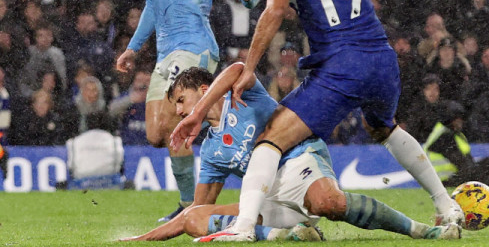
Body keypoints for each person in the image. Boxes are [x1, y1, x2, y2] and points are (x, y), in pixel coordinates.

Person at [170, 0, 463, 242]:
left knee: (270, 139)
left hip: (341, 66)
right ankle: (446, 205)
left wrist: (250, 67)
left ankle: (243, 228)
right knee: (384, 128)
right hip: (381, 59)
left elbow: (274, 9)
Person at [125, 64, 459, 242]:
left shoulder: (241, 95)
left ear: (204, 90)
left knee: (329, 203)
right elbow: (199, 211)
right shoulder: (211, 150)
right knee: (197, 220)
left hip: (299, 160)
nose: (180, 111)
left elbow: (238, 67)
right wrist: (142, 239)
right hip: (267, 199)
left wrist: (199, 112)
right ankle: (287, 234)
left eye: (181, 101)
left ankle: (419, 230)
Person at [115, 0, 258, 222]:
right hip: (166, 54)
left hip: (196, 49)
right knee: (156, 134)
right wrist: (133, 47)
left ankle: (194, 200)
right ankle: (226, 130)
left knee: (175, 122)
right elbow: (152, 6)